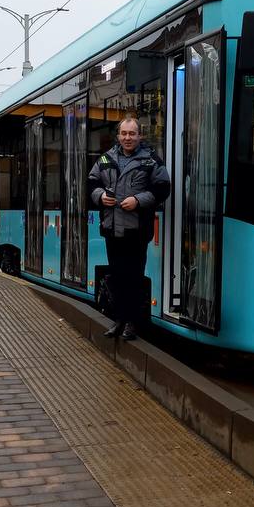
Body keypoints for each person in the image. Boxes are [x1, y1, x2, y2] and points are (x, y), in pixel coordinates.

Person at [88, 117, 170, 340]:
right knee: (117, 278)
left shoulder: (151, 160)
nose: (127, 138)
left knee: (134, 278)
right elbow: (92, 182)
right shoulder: (105, 158)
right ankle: (119, 321)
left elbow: (163, 188)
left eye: (132, 134)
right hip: (112, 229)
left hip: (137, 231)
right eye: (124, 133)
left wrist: (138, 200)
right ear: (118, 136)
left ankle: (131, 324)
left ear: (139, 136)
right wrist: (100, 196)